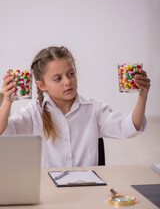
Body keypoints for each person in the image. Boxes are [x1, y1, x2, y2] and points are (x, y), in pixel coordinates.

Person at [0, 46, 151, 167]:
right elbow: (3, 133)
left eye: (71, 74)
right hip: (49, 190)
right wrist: (7, 101)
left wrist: (142, 96)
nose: (67, 81)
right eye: (58, 78)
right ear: (41, 85)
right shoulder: (33, 113)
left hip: (88, 187)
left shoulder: (93, 109)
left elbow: (131, 126)